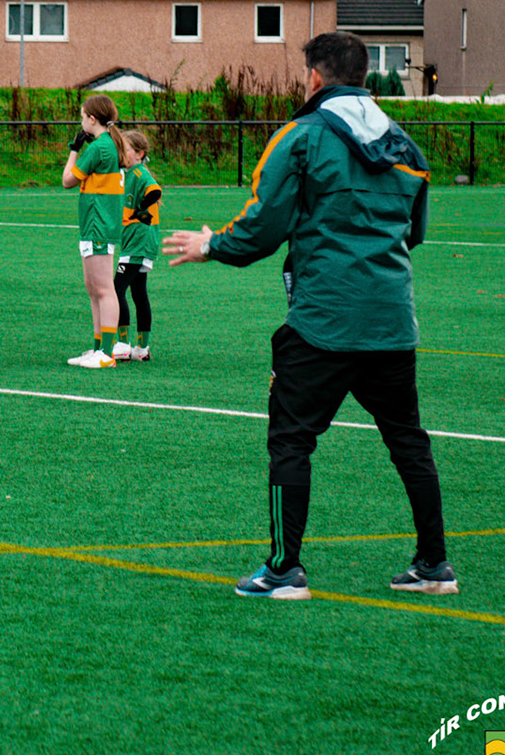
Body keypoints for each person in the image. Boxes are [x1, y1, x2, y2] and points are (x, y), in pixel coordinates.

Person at [164, 31, 456, 602]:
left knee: (291, 440)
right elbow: (414, 233)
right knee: (408, 442)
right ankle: (434, 565)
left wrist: (211, 245)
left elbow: (263, 225)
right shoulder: (406, 146)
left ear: (315, 78)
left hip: (323, 320)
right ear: (364, 76)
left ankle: (284, 570)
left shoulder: (300, 137)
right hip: (392, 321)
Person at [61, 93, 122, 368]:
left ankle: (107, 353)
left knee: (104, 289)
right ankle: (99, 348)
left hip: (99, 224)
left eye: (83, 117)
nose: (81, 122)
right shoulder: (106, 144)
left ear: (93, 119)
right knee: (94, 288)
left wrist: (74, 150)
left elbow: (67, 180)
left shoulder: (99, 147)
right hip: (93, 224)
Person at [112, 129, 161, 363]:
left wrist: (141, 209)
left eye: (127, 149)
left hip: (139, 241)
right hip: (136, 241)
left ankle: (122, 345)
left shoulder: (140, 173)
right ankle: (142, 349)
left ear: (140, 154)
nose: (122, 153)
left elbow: (155, 190)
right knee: (139, 293)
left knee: (116, 289)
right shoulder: (127, 173)